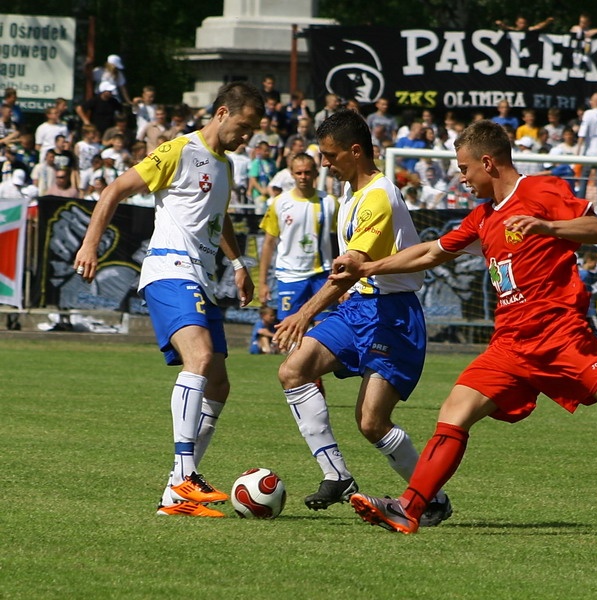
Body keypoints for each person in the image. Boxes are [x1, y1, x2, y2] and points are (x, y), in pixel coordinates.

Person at [333, 119, 597, 534]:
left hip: (562, 337)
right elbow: (429, 253)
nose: (460, 177)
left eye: (464, 168)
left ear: (488, 163)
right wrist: (367, 266)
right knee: (454, 412)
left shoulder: (540, 189)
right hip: (510, 345)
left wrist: (548, 225)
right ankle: (410, 509)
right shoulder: (483, 217)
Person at [73, 81, 265, 518]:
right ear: (221, 113)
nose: (247, 137)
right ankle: (183, 474)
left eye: (253, 130)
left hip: (202, 278)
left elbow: (220, 217)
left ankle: (173, 497)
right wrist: (90, 244)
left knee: (218, 383)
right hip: (168, 270)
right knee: (198, 359)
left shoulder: (226, 165)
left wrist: (237, 265)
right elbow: (114, 190)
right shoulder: (179, 150)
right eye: (244, 126)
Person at [270, 109, 453, 526]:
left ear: (356, 151)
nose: (324, 164)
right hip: (357, 308)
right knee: (293, 370)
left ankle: (434, 501)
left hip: (392, 315)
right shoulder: (351, 197)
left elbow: (350, 267)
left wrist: (304, 313)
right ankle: (336, 475)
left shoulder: (379, 196)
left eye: (330, 155)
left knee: (371, 423)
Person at [258, 153, 337, 327]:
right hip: (290, 275)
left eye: (307, 172)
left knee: (324, 329)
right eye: (299, 173)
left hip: (322, 274)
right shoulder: (279, 203)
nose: (303, 177)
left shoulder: (330, 202)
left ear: (316, 173)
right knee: (289, 330)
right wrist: (262, 282)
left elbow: (344, 239)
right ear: (291, 174)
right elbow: (268, 243)